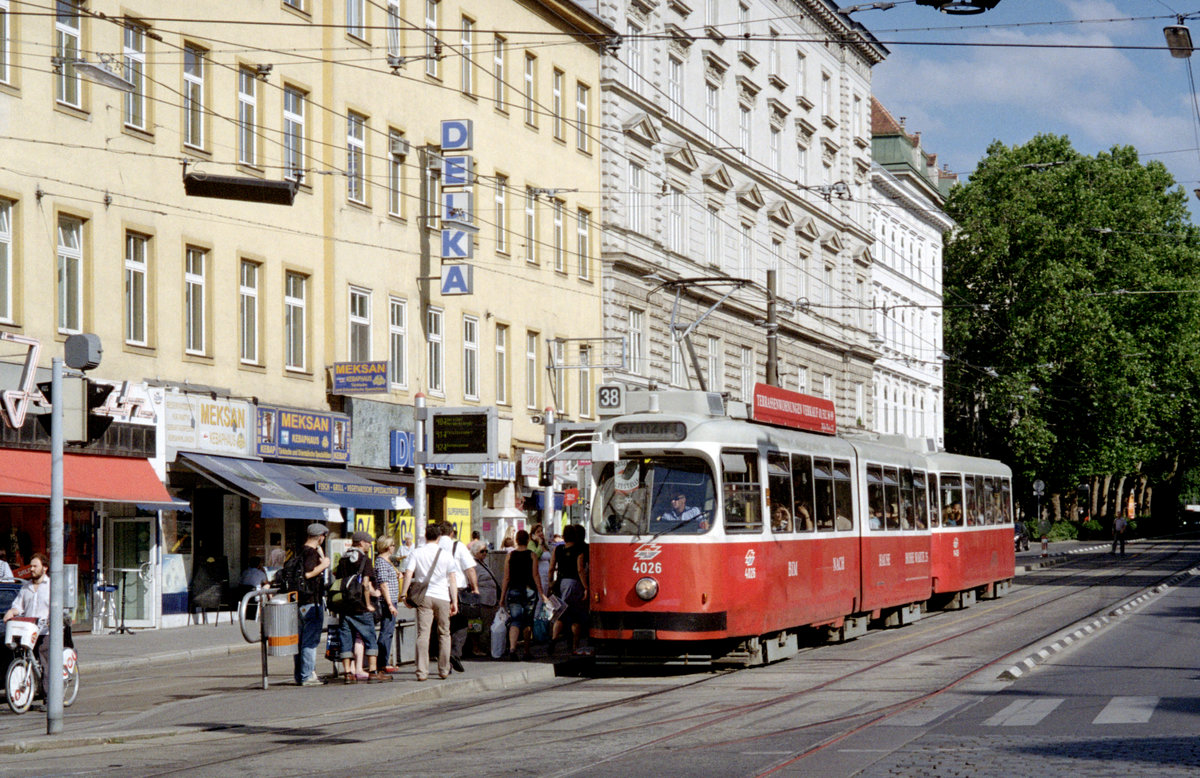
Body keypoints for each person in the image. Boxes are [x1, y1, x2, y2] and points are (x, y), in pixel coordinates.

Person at [400, 524, 458, 681]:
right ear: (439, 537)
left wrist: (404, 594)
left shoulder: (417, 553)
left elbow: (408, 574)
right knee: (444, 633)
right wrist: (455, 601)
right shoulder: (446, 555)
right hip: (443, 597)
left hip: (424, 597)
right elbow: (452, 579)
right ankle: (444, 669)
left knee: (423, 634)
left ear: (425, 536)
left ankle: (422, 672)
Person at [3, 553, 62, 697]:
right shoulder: (26, 587)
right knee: (27, 660)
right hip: (29, 632)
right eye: (31, 566)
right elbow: (19, 606)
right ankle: (28, 694)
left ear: (45, 568)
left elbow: (58, 607)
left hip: (45, 632)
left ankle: (50, 698)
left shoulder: (52, 587)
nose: (32, 569)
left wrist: (51, 618)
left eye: (35, 566)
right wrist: (12, 611)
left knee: (46, 664)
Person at [334, 531, 389, 684]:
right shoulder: (365, 559)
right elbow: (365, 583)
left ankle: (347, 674)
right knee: (370, 636)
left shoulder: (343, 559)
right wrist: (369, 603)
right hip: (360, 606)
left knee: (346, 638)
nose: (370, 545)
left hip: (345, 606)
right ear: (360, 543)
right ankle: (373, 671)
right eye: (368, 542)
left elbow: (338, 580)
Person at [439, 523, 479, 673]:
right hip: (459, 590)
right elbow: (470, 569)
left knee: (443, 626)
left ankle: (443, 658)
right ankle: (454, 653)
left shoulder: (432, 545)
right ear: (451, 533)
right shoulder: (458, 546)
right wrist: (475, 588)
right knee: (461, 623)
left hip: (438, 590)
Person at [294, 524, 331, 687]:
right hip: (311, 601)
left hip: (300, 602)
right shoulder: (310, 553)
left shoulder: (300, 551)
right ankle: (307, 675)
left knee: (300, 641)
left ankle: (301, 674)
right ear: (320, 536)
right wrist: (323, 565)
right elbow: (308, 573)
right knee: (310, 641)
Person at [500, 529, 543, 660]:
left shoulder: (510, 555)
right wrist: (541, 593)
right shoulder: (532, 555)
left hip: (513, 590)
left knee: (515, 620)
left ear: (517, 540)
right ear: (528, 540)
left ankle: (512, 649)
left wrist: (502, 597)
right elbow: (536, 575)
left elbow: (506, 577)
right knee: (527, 621)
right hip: (529, 591)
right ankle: (526, 651)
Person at [548, 524, 589, 655]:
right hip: (574, 584)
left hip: (560, 584)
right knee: (575, 617)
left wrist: (550, 583)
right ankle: (575, 646)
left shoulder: (558, 549)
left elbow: (551, 567)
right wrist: (586, 587)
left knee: (561, 613)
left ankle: (553, 639)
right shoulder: (579, 550)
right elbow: (580, 569)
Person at [374, 535, 401, 673]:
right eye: (392, 545)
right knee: (386, 631)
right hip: (387, 601)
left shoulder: (387, 561)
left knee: (389, 631)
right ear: (386, 547)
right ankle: (382, 662)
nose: (393, 547)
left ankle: (384, 661)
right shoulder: (381, 562)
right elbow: (383, 584)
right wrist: (390, 604)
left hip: (391, 600)